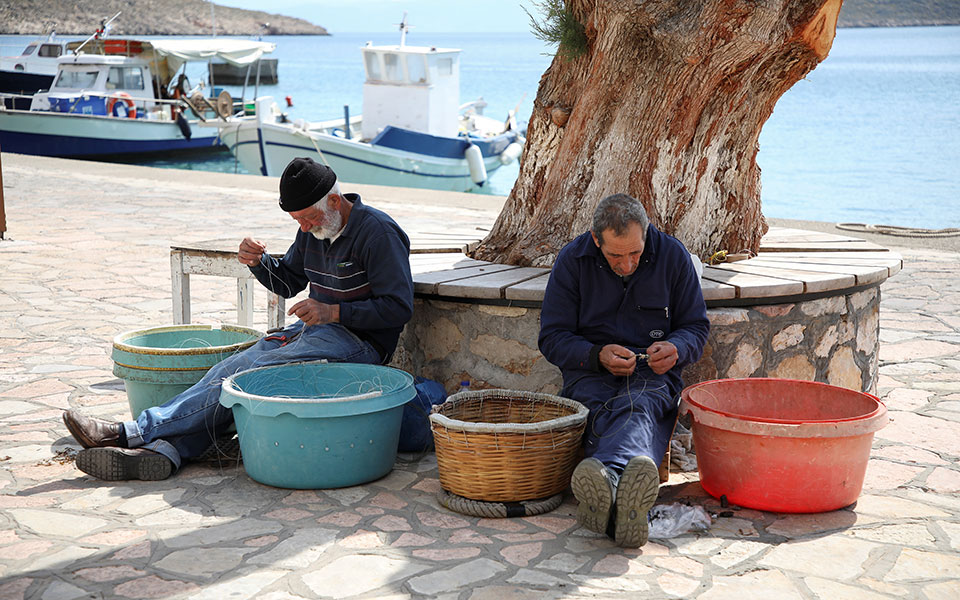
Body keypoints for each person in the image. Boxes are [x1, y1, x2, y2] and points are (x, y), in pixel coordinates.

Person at [63, 157, 415, 481]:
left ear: (335, 202)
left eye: (309, 218)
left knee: (250, 373)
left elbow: (399, 308)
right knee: (229, 370)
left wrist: (333, 311)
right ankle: (167, 452)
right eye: (298, 222)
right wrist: (258, 263)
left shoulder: (378, 233)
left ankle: (130, 432)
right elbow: (289, 281)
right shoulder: (314, 230)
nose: (305, 228)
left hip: (360, 344)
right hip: (313, 331)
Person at [538, 193, 709, 547]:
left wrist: (677, 348)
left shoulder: (673, 256)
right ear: (595, 239)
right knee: (595, 407)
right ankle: (624, 494)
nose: (627, 264)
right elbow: (552, 338)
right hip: (590, 370)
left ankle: (609, 481)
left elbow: (696, 327)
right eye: (615, 255)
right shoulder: (572, 260)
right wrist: (596, 354)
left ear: (646, 234)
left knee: (641, 405)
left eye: (635, 253)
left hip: (652, 373)